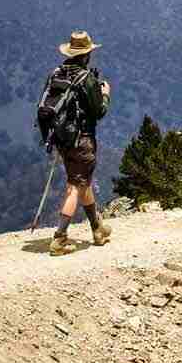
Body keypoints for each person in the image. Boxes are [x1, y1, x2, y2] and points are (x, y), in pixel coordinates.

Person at [44, 30, 113, 256]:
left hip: (63, 140)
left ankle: (98, 229)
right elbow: (98, 112)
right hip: (82, 139)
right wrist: (105, 94)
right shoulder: (86, 79)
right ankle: (59, 238)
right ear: (86, 55)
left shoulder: (57, 74)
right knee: (75, 187)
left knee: (81, 181)